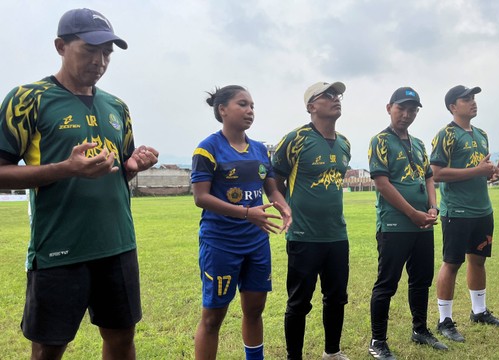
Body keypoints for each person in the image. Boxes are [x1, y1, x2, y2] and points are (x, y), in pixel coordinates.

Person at [0, 8, 158, 360]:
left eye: (107, 53)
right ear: (60, 46)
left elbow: (118, 173)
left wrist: (133, 166)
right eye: (89, 50)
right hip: (58, 248)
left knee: (121, 339)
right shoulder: (28, 99)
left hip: (117, 245)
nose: (99, 61)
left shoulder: (117, 107)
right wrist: (67, 168)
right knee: (48, 349)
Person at [191, 85, 292, 360]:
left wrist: (283, 206)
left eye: (252, 106)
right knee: (213, 317)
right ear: (222, 109)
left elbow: (271, 189)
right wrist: (247, 213)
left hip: (256, 242)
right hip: (221, 243)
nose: (250, 111)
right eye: (242, 104)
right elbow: (201, 198)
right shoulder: (208, 148)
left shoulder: (260, 150)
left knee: (255, 309)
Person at [272, 81, 351, 360]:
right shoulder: (295, 139)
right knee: (299, 302)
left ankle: (332, 352)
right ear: (311, 107)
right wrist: (285, 208)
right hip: (304, 236)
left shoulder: (344, 143)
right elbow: (273, 177)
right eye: (327, 95)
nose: (335, 98)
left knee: (337, 298)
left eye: (338, 94)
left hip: (337, 235)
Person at [367, 87, 448, 360]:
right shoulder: (380, 141)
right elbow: (381, 183)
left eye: (412, 109)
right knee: (387, 283)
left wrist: (433, 206)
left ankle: (420, 330)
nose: (406, 114)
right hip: (394, 225)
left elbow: (428, 178)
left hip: (422, 225)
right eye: (401, 108)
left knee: (421, 280)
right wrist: (412, 213)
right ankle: (378, 341)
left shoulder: (419, 144)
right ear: (389, 107)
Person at [429, 85, 499, 344]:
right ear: (453, 106)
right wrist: (477, 171)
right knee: (452, 263)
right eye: (466, 99)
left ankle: (479, 312)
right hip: (457, 211)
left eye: (473, 98)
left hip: (482, 210)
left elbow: (479, 172)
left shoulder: (481, 134)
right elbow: (437, 173)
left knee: (478, 260)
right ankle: (445, 320)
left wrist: (491, 175)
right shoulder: (446, 135)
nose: (472, 103)